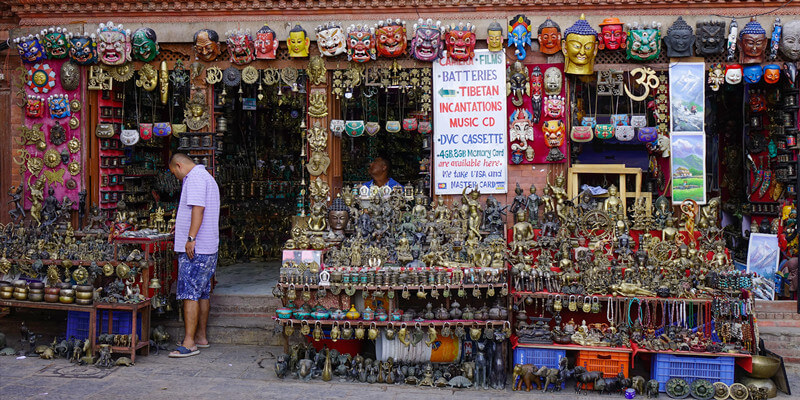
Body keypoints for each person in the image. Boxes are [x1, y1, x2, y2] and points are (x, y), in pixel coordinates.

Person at [168, 153, 220, 358]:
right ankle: (201, 336)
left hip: (196, 249)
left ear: (179, 166)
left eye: (174, 173)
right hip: (207, 247)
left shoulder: (195, 178)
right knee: (202, 292)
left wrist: (190, 237)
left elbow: (198, 209)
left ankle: (189, 343)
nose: (176, 177)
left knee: (189, 293)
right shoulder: (206, 176)